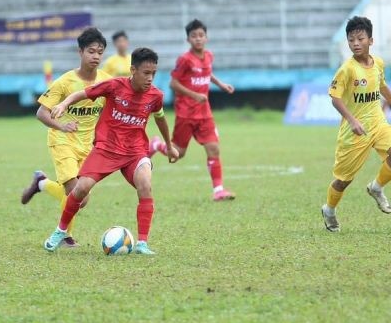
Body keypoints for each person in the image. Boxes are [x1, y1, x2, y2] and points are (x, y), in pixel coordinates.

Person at [42, 47, 179, 255]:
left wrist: (169, 146)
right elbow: (83, 93)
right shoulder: (115, 86)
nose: (150, 78)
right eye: (146, 73)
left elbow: (160, 118)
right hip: (107, 148)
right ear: (133, 70)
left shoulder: (155, 96)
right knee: (80, 189)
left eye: (153, 73)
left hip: (135, 152)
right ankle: (60, 231)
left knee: (145, 184)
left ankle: (142, 243)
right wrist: (64, 104)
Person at [21, 27, 112, 248]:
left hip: (89, 145)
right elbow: (41, 113)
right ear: (80, 52)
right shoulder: (65, 82)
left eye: (100, 52)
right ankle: (65, 236)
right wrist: (61, 126)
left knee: (82, 199)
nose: (96, 56)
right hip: (63, 140)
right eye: (91, 51)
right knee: (74, 191)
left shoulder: (107, 81)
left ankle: (42, 183)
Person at [321, 16, 391, 232]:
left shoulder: (378, 63)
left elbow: (382, 86)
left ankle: (376, 188)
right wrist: (352, 120)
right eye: (351, 40)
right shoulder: (347, 69)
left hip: (378, 123)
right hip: (354, 133)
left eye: (360, 38)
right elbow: (335, 98)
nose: (356, 43)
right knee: (343, 181)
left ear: (371, 40)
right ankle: (329, 210)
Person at [150, 19, 236, 201]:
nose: (198, 39)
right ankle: (157, 145)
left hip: (205, 114)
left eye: (201, 35)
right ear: (188, 39)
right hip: (186, 113)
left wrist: (221, 85)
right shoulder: (185, 60)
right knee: (178, 153)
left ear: (206, 37)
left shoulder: (209, 56)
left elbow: (206, 73)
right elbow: (173, 83)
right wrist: (194, 95)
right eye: (194, 36)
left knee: (213, 148)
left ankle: (218, 190)